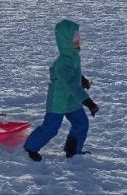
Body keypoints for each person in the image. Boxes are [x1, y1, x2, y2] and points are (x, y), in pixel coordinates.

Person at [24, 20, 99, 161]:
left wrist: (82, 79)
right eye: (75, 37)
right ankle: (31, 147)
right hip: (58, 100)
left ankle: (73, 151)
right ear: (66, 41)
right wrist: (89, 103)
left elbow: (73, 76)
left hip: (71, 100)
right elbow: (72, 85)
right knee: (51, 128)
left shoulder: (73, 57)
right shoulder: (62, 63)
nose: (78, 39)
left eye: (78, 36)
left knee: (81, 123)